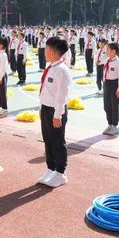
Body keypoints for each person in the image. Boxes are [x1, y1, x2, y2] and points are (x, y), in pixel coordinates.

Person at [37, 36, 72, 188]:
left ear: (52, 51)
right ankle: (50, 168)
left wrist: (58, 114)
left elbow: (62, 95)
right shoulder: (51, 67)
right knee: (48, 140)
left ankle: (60, 173)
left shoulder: (62, 71)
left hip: (56, 111)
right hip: (46, 108)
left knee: (57, 141)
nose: (44, 51)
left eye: (46, 49)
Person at [102, 42, 119, 136]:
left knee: (114, 106)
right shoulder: (107, 60)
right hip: (106, 84)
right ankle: (109, 124)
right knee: (106, 106)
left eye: (108, 49)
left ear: (114, 51)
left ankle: (114, 125)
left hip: (114, 84)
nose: (106, 51)